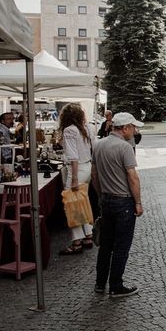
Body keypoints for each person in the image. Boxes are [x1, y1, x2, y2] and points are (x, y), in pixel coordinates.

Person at [92, 112, 144, 298]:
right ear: (125, 128)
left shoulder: (98, 145)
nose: (135, 131)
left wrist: (100, 196)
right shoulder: (125, 147)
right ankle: (116, 286)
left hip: (106, 200)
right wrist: (138, 202)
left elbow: (95, 175)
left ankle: (100, 284)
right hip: (123, 202)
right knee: (121, 246)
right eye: (133, 127)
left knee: (105, 245)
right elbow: (132, 177)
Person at [58, 103, 96, 255]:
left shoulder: (69, 130)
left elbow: (73, 156)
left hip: (77, 169)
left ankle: (76, 242)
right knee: (81, 202)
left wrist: (73, 178)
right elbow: (94, 148)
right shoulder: (87, 128)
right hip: (86, 167)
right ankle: (88, 235)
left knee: (71, 206)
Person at [0, 112, 15, 178]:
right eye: (9, 119)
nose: (12, 121)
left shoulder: (5, 130)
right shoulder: (1, 130)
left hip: (6, 158)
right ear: (2, 121)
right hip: (4, 159)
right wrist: (2, 160)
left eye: (12, 119)